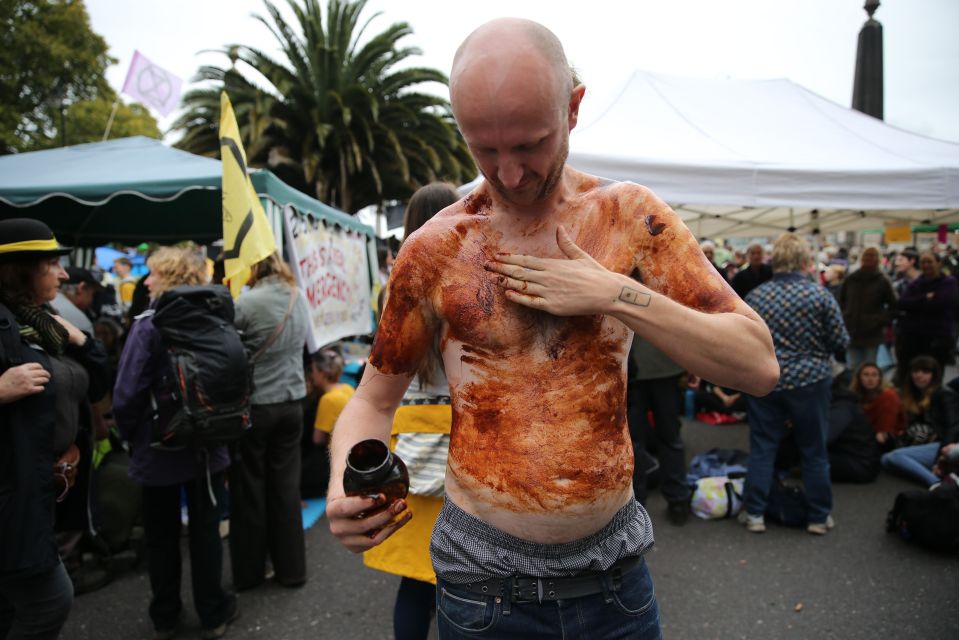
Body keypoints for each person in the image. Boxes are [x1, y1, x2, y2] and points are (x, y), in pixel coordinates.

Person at [325, 18, 779, 640]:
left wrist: (616, 294)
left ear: (573, 106)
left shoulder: (629, 217)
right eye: (484, 149)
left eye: (530, 144)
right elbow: (373, 400)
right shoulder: (435, 248)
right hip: (480, 591)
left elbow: (757, 365)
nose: (508, 174)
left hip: (613, 584)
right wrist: (341, 484)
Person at [113, 247, 237, 640]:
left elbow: (127, 393)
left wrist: (131, 437)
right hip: (208, 444)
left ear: (166, 277)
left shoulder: (149, 325)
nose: (146, 281)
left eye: (152, 275)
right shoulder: (217, 316)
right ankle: (213, 613)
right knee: (205, 533)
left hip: (159, 447)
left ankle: (166, 618)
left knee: (162, 538)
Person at [0, 219, 109, 640]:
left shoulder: (45, 321)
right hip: (15, 493)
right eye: (51, 263)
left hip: (48, 489)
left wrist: (83, 342)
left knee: (11, 605)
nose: (64, 274)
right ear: (19, 270)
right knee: (49, 601)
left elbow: (99, 383)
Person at [362, 182, 460, 640]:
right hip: (468, 435)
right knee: (471, 572)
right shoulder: (471, 276)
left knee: (417, 575)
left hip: (413, 439)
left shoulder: (395, 284)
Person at [741, 233, 849, 535]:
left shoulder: (757, 296)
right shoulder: (819, 295)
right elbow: (840, 340)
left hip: (766, 379)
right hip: (811, 380)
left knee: (763, 446)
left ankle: (755, 513)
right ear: (804, 261)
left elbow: (744, 341)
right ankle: (818, 516)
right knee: (813, 450)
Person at [228, 251, 311, 592]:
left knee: (250, 488)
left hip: (258, 403)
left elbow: (233, 350)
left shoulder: (246, 303)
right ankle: (291, 570)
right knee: (286, 488)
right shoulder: (299, 296)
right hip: (292, 402)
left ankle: (249, 573)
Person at [627, 334, 690, 525]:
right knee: (670, 437)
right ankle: (678, 501)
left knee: (631, 444)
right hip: (666, 362)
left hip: (630, 364)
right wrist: (691, 363)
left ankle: (634, 510)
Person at [881, 357, 959, 486]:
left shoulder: (944, 394)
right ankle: (926, 470)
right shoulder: (914, 396)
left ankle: (937, 483)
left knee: (895, 457)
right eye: (916, 371)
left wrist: (941, 459)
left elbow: (952, 428)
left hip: (944, 444)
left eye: (925, 372)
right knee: (884, 460)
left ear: (934, 376)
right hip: (924, 442)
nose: (919, 376)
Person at [896, 251, 959, 380]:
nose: (926, 265)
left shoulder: (948, 283)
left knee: (934, 374)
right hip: (913, 338)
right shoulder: (916, 283)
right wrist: (925, 298)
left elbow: (942, 303)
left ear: (938, 263)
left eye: (929, 262)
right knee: (912, 375)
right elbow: (902, 303)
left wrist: (916, 303)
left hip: (938, 339)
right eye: (923, 262)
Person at [838, 246, 896, 373]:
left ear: (878, 259)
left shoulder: (883, 280)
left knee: (869, 368)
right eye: (866, 255)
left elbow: (894, 306)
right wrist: (845, 317)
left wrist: (879, 320)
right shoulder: (851, 279)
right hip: (851, 331)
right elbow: (841, 301)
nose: (869, 258)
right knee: (853, 368)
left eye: (872, 255)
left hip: (872, 334)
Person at [849, 362, 904, 451]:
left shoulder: (888, 396)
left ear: (880, 378)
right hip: (863, 438)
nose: (870, 379)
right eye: (866, 375)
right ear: (859, 378)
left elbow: (885, 431)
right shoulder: (854, 398)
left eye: (874, 375)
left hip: (887, 441)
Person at [310, 349, 354, 447]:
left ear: (323, 373)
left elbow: (318, 439)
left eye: (313, 370)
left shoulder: (328, 399)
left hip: (332, 454)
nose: (312, 375)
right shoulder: (348, 388)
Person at [53, 266, 101, 334]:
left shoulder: (42, 301)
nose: (91, 301)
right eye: (92, 294)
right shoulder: (82, 324)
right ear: (81, 288)